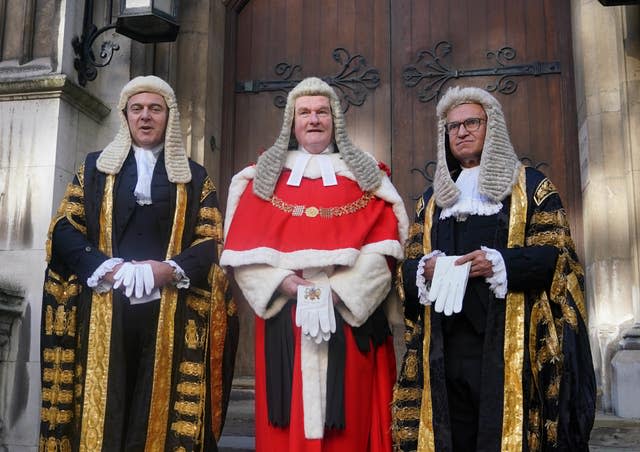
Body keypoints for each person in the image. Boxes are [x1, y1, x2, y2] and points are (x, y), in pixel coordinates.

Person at [391, 86, 596, 451]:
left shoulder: (531, 187)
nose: (462, 132)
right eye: (453, 127)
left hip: (507, 344)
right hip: (444, 347)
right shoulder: (431, 200)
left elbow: (556, 257)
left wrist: (497, 262)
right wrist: (425, 268)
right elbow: (406, 269)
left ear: (493, 127)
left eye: (472, 122)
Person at [39, 75, 238, 451]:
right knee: (109, 398)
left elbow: (211, 240)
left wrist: (166, 270)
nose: (145, 117)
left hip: (169, 311)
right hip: (104, 307)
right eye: (137, 109)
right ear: (126, 116)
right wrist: (106, 267)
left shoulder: (195, 178)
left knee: (154, 403)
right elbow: (64, 228)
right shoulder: (95, 168)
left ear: (169, 117)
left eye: (155, 109)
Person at [220, 77, 409, 451]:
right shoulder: (260, 179)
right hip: (284, 319)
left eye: (322, 111)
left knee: (350, 427)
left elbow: (384, 249)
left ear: (335, 119)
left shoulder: (367, 177)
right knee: (284, 420)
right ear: (292, 122)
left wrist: (337, 294)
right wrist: (287, 285)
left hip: (349, 319)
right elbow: (243, 255)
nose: (314, 119)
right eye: (304, 112)